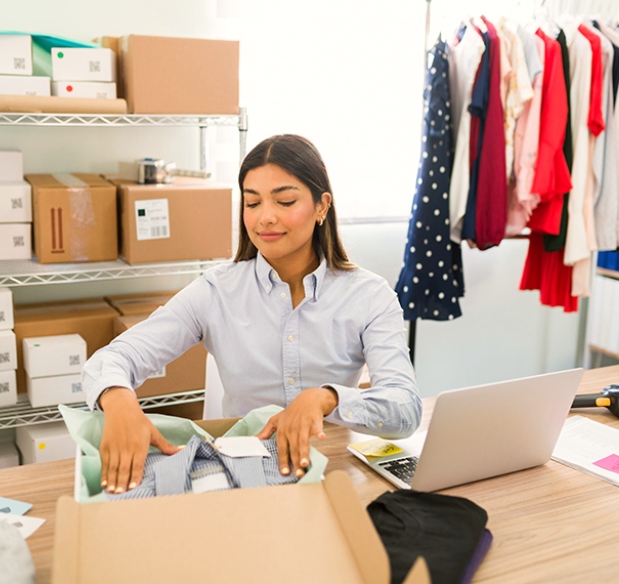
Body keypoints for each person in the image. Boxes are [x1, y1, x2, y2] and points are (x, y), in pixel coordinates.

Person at [83, 134, 421, 494]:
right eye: (252, 203)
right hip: (243, 480)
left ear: (322, 206)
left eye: (285, 200)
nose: (266, 218)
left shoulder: (369, 296)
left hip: (330, 474)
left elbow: (404, 407)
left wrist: (327, 398)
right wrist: (118, 400)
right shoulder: (216, 291)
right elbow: (115, 358)